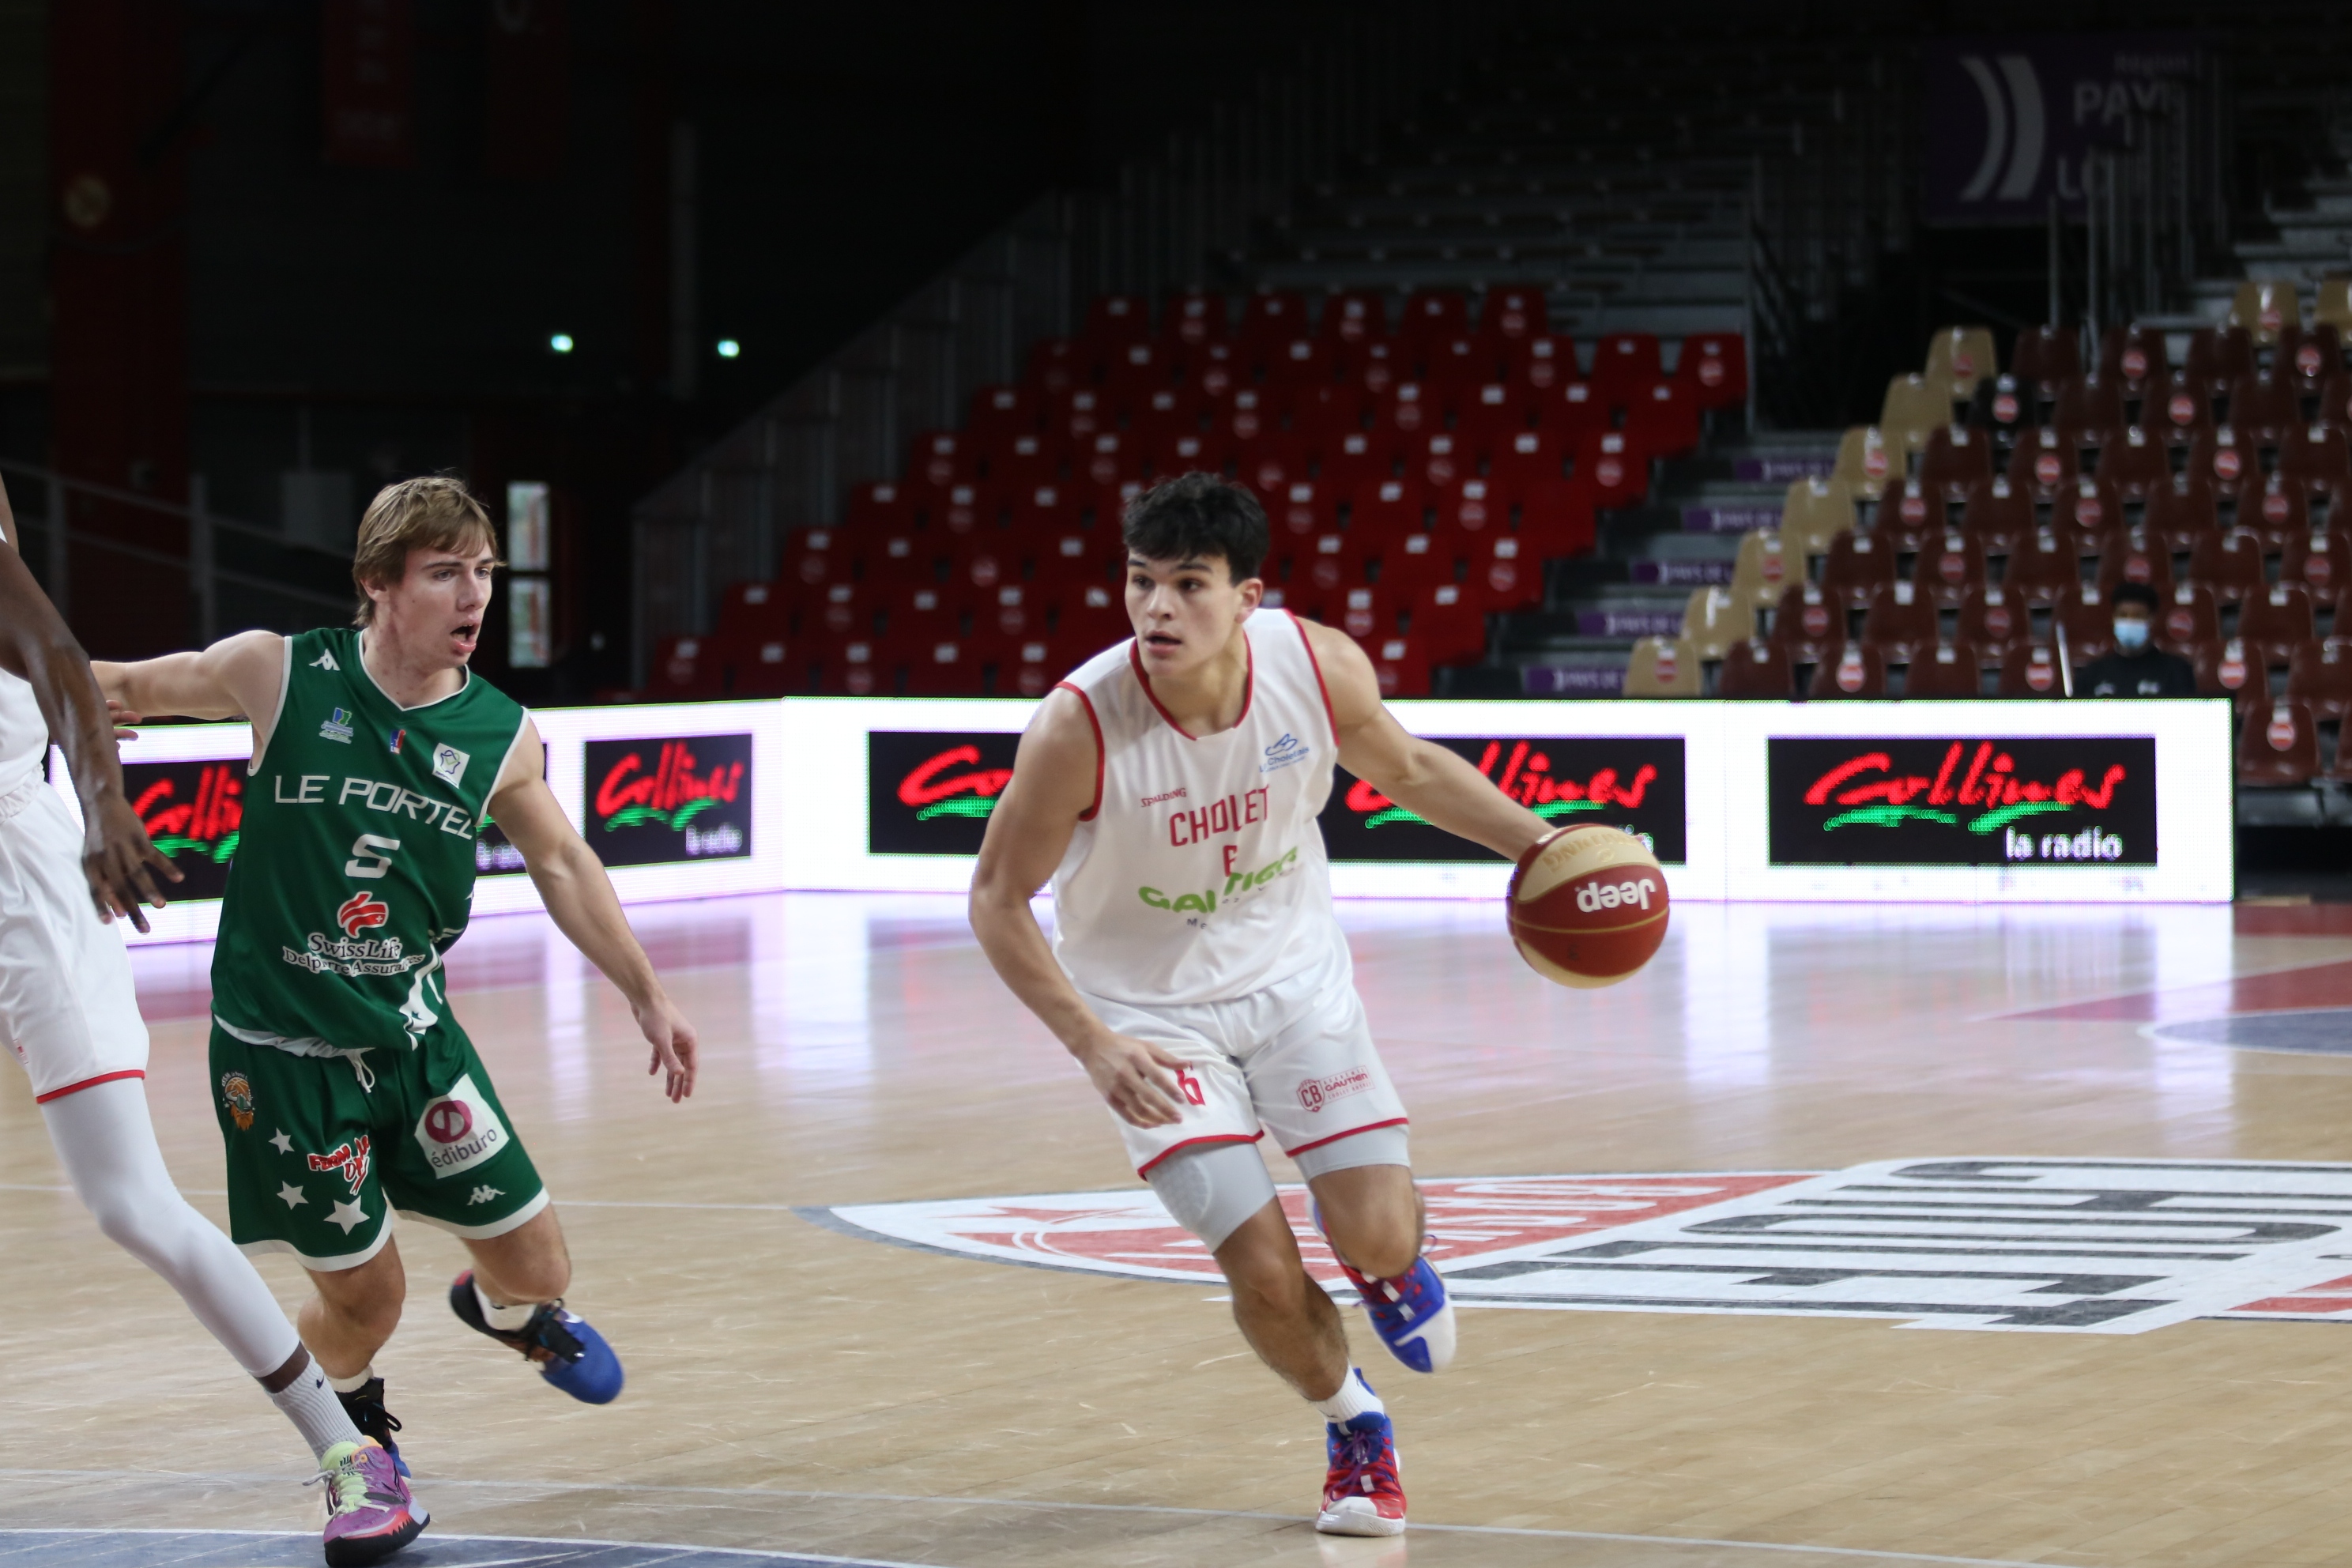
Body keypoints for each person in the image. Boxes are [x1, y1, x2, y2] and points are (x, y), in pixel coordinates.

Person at [968, 473, 1551, 1538]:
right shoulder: (1077, 726)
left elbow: (1411, 769)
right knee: (1268, 1276)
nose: (1156, 610)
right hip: (1150, 1025)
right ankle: (1352, 1424)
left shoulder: (1315, 666)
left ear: (1248, 596)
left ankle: (1389, 1267)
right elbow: (997, 900)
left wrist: (1544, 847)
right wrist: (1091, 1045)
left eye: (1189, 585)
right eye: (1141, 582)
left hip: (1296, 989)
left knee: (1373, 1234)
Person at [93, 475, 699, 1487]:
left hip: (415, 1039)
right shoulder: (278, 673)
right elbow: (133, 680)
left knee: (542, 1270)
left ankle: (501, 1312)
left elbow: (562, 862)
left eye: (485, 574)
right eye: (446, 573)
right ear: (378, 584)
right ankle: (354, 1446)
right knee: (369, 1301)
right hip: (284, 1058)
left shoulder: (502, 732)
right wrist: (59, 700)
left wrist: (647, 991)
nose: (474, 597)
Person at [0, 477, 422, 1566]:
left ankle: (349, 1454)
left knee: (130, 1205)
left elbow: (52, 652)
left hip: (20, 867)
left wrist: (103, 810)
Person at [2075, 582, 2196, 697]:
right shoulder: (2092, 674)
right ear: (2113, 618)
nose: (2130, 621)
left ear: (2151, 620)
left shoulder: (2176, 671)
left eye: (2138, 616)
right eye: (2123, 615)